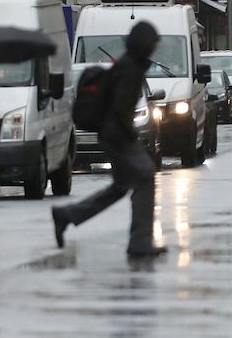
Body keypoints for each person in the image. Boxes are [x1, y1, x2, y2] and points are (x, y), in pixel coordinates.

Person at [51, 22, 166, 257]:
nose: (155, 48)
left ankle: (67, 215)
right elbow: (120, 110)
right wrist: (130, 137)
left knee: (120, 187)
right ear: (144, 45)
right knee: (145, 178)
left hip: (112, 134)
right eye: (153, 43)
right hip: (118, 137)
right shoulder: (130, 69)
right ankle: (140, 242)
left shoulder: (129, 65)